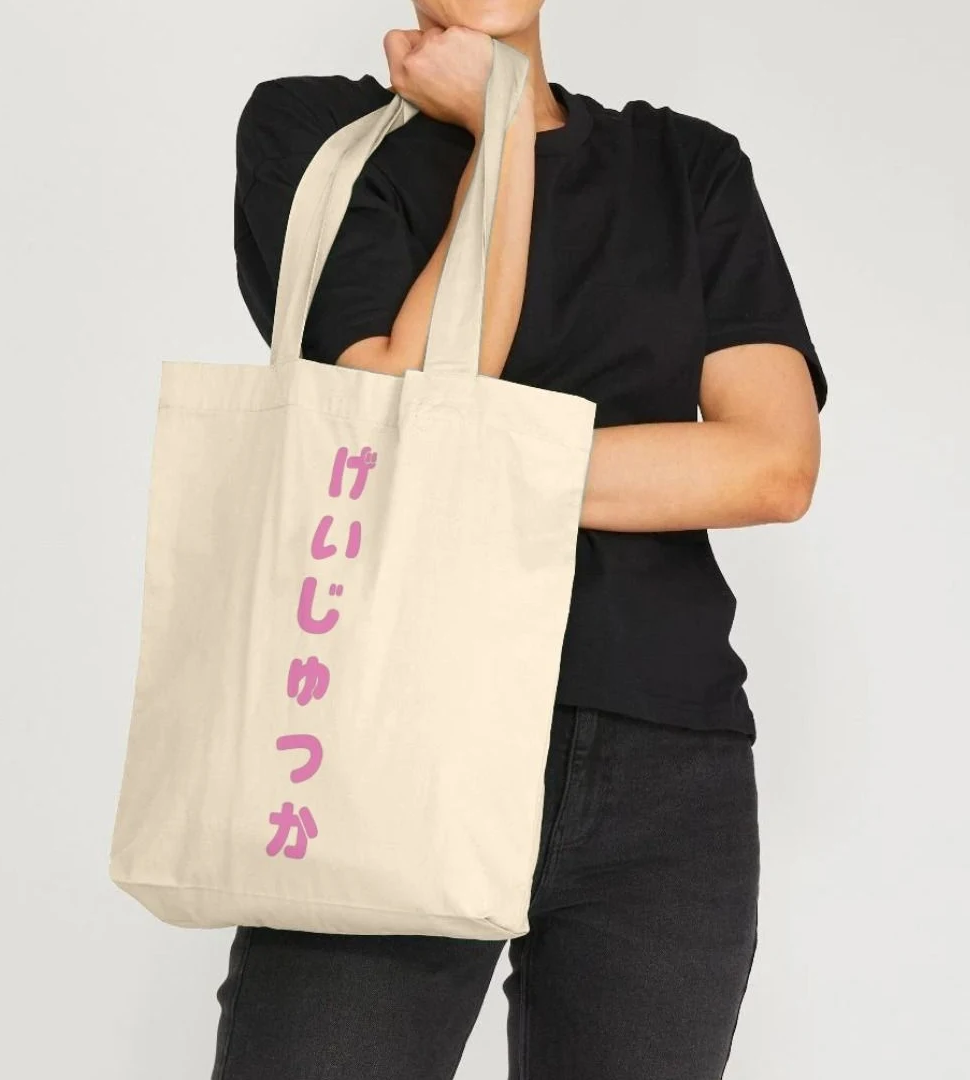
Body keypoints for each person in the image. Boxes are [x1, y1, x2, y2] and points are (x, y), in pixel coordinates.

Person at [214, 3, 826, 1078]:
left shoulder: (686, 166)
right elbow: (401, 403)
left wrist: (462, 457)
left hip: (660, 758)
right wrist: (499, 132)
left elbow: (772, 465)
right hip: (388, 729)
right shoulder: (314, 135)